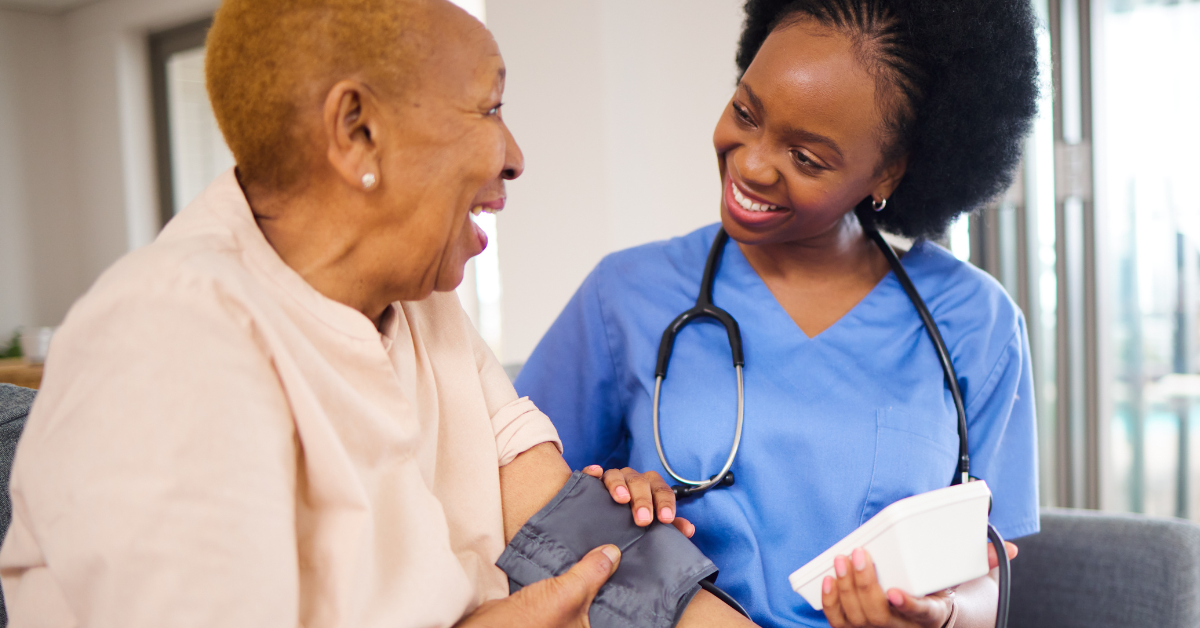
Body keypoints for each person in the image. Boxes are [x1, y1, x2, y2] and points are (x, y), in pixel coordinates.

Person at [0, 1, 753, 627]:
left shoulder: (417, 297)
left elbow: (561, 521)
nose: (515, 154)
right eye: (489, 108)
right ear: (357, 129)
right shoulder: (164, 338)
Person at [515, 1, 1040, 627]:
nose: (752, 162)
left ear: (889, 172)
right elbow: (522, 502)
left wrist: (941, 614)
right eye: (745, 112)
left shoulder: (974, 321)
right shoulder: (626, 295)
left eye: (807, 158)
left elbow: (992, 567)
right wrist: (613, 499)